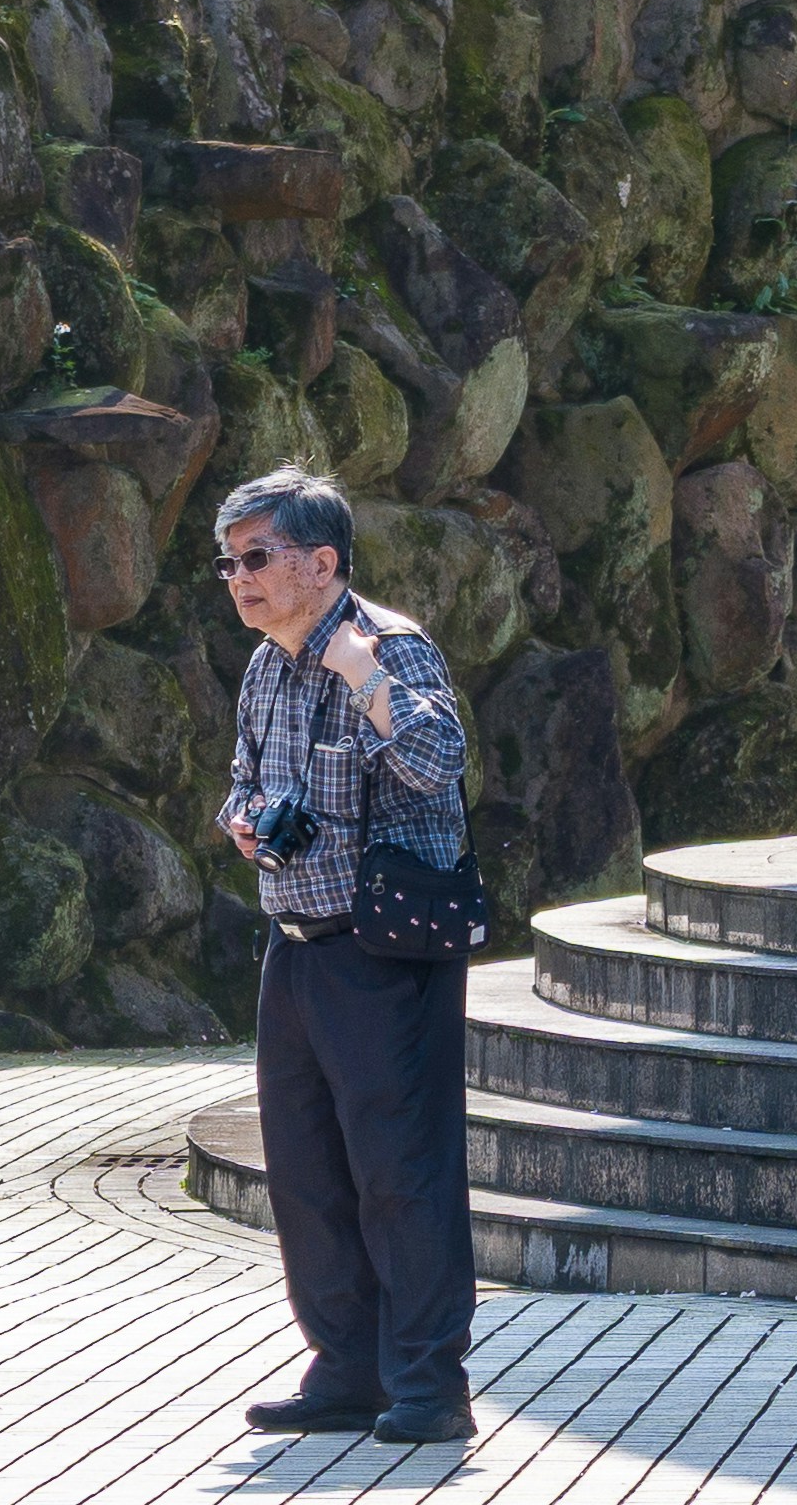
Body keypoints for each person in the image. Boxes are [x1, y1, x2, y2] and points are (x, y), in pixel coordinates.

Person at [210, 470, 475, 1457]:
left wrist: (365, 676)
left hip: (385, 948)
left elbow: (438, 758)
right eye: (229, 561)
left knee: (401, 1173)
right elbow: (243, 782)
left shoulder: (390, 646)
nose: (238, 577)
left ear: (322, 562)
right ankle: (346, 1365)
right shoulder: (266, 666)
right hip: (297, 941)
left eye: (257, 557)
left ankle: (428, 1385)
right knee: (309, 1172)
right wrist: (243, 823)